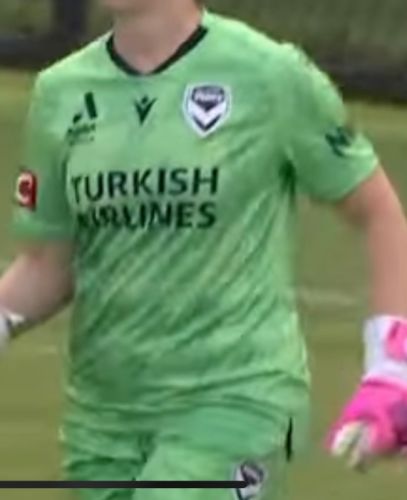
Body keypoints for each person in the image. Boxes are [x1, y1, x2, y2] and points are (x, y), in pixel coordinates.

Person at [2, 0, 407, 498]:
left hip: (235, 401)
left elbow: (379, 213)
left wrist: (392, 366)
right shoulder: (60, 92)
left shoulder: (270, 75)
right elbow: (47, 265)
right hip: (102, 419)